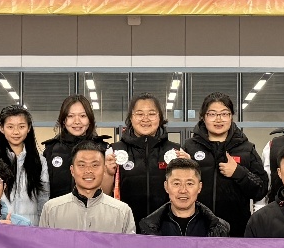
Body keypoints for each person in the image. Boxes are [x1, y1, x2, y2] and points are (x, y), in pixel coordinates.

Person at [181, 91, 268, 236]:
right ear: (203, 117)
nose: (218, 119)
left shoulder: (246, 149)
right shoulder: (189, 147)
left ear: (231, 116)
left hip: (236, 230)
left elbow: (261, 189)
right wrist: (186, 168)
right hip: (196, 228)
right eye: (212, 114)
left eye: (224, 114)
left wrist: (239, 172)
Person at [102, 93, 186, 226]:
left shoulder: (176, 151)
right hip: (126, 226)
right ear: (131, 117)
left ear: (159, 117)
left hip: (166, 226)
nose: (145, 119)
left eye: (151, 114)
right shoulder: (114, 151)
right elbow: (104, 195)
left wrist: (189, 166)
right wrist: (107, 173)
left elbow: (187, 191)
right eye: (139, 114)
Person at [39, 140, 136, 234]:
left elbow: (129, 245)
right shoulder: (51, 209)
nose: (88, 170)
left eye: (95, 165)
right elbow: (43, 244)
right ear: (72, 170)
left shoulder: (122, 211)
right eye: (82, 165)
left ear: (104, 169)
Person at [138, 156, 231, 237]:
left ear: (199, 187)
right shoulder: (148, 227)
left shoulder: (220, 228)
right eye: (176, 183)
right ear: (166, 187)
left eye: (189, 183)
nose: (183, 190)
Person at [0, 104, 49, 226]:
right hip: (0, 229)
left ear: (29, 128)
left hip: (30, 230)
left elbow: (43, 200)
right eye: (10, 127)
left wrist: (41, 229)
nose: (16, 132)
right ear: (1, 128)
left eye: (21, 126)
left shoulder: (40, 162)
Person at [42, 94, 108, 201]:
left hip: (94, 209)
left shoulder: (103, 149)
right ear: (63, 120)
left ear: (90, 119)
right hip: (59, 210)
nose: (77, 121)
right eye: (70, 116)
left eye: (83, 116)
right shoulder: (51, 150)